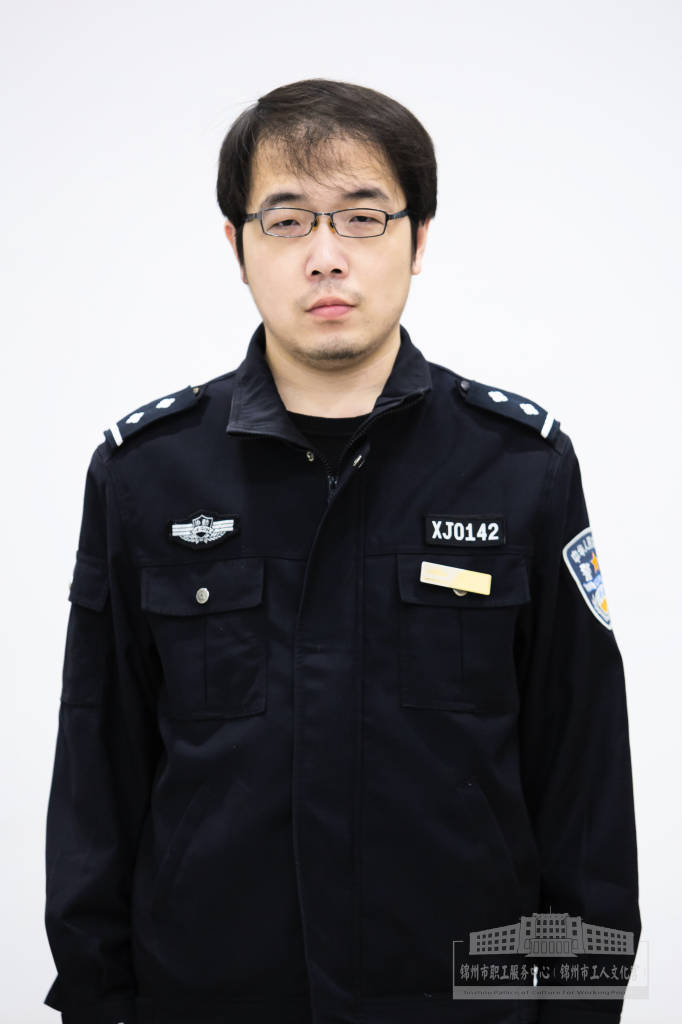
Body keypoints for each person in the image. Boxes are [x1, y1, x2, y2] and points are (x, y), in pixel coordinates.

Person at [43, 79, 641, 1024]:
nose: (327, 255)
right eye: (287, 222)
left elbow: (584, 775)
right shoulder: (147, 475)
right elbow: (96, 767)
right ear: (237, 247)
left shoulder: (518, 467)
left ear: (419, 238)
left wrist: (576, 1009)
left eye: (363, 217)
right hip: (208, 999)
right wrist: (99, 1003)